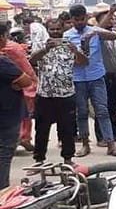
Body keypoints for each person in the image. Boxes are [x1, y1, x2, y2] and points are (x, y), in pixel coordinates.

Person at [65, 4, 116, 157]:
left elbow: (114, 36)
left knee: (102, 111)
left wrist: (95, 32)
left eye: (82, 19)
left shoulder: (94, 31)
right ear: (71, 20)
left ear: (86, 17)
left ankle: (111, 144)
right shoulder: (67, 36)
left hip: (97, 77)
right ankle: (85, 144)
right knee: (82, 113)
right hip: (77, 79)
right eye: (75, 20)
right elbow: (71, 60)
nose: (79, 22)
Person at [29, 18, 84, 165]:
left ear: (62, 29)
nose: (55, 32)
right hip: (45, 95)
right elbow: (32, 61)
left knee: (67, 128)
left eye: (58, 29)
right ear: (47, 30)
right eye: (52, 29)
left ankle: (68, 159)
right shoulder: (41, 44)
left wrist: (75, 51)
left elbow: (84, 62)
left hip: (66, 94)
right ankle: (39, 159)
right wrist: (45, 49)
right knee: (41, 129)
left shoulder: (70, 44)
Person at [93, 12, 116, 145]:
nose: (112, 21)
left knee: (114, 105)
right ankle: (101, 136)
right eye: (108, 18)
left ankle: (115, 133)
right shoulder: (95, 35)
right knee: (102, 107)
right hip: (102, 74)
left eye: (113, 18)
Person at [0, 54, 32, 187]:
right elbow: (26, 81)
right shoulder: (3, 62)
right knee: (4, 154)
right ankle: (2, 192)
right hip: (6, 114)